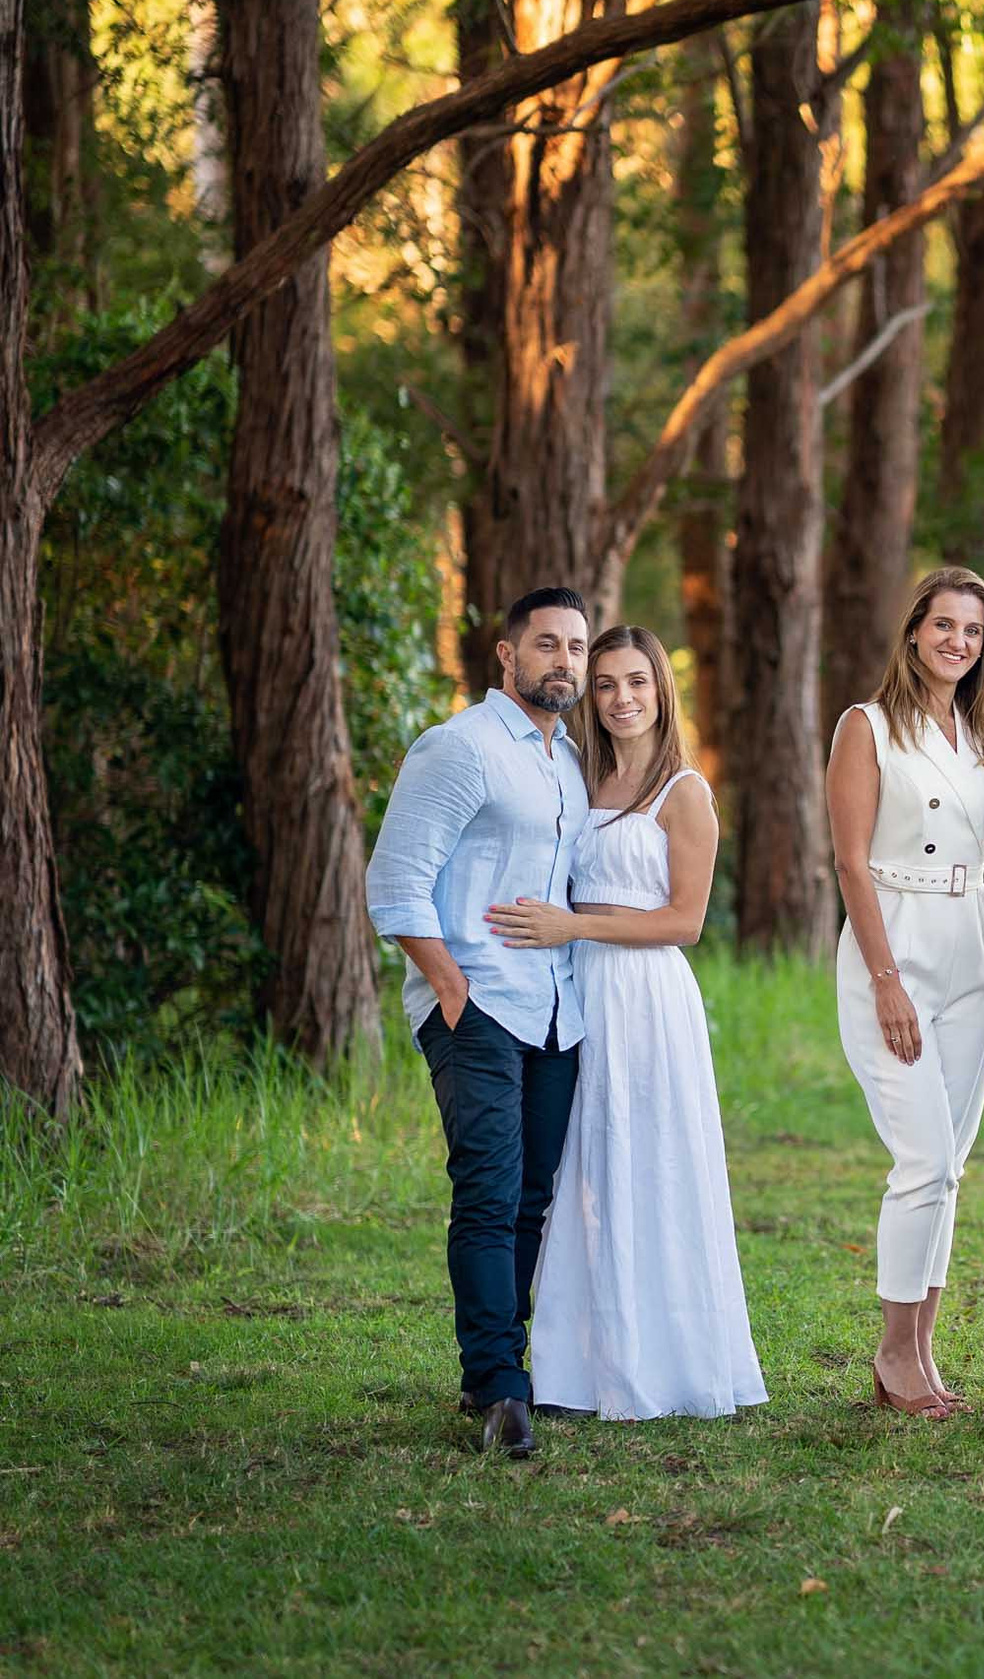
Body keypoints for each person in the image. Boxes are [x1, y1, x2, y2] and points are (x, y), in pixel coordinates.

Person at [491, 626, 766, 1420]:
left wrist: (573, 927)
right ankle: (578, 1370)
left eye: (636, 682)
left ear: (661, 690)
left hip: (647, 997)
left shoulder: (685, 792)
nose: (620, 699)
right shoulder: (579, 778)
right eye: (605, 683)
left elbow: (685, 921)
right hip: (578, 994)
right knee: (583, 1167)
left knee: (651, 1166)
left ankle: (666, 1363)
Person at [366, 586, 591, 1459]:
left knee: (534, 1196)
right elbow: (394, 881)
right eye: (546, 644)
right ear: (508, 656)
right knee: (491, 1192)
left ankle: (496, 1367)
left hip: (556, 1012)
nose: (563, 661)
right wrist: (450, 987)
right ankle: (500, 1386)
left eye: (575, 646)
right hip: (480, 1006)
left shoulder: (569, 762)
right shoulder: (458, 747)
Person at [826, 568, 984, 1418]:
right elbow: (848, 861)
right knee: (923, 1160)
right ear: (913, 634)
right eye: (943, 626)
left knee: (953, 1168)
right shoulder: (866, 727)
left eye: (972, 631)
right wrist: (885, 980)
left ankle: (918, 1353)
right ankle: (889, 1352)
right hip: (894, 940)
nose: (957, 642)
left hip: (974, 946)